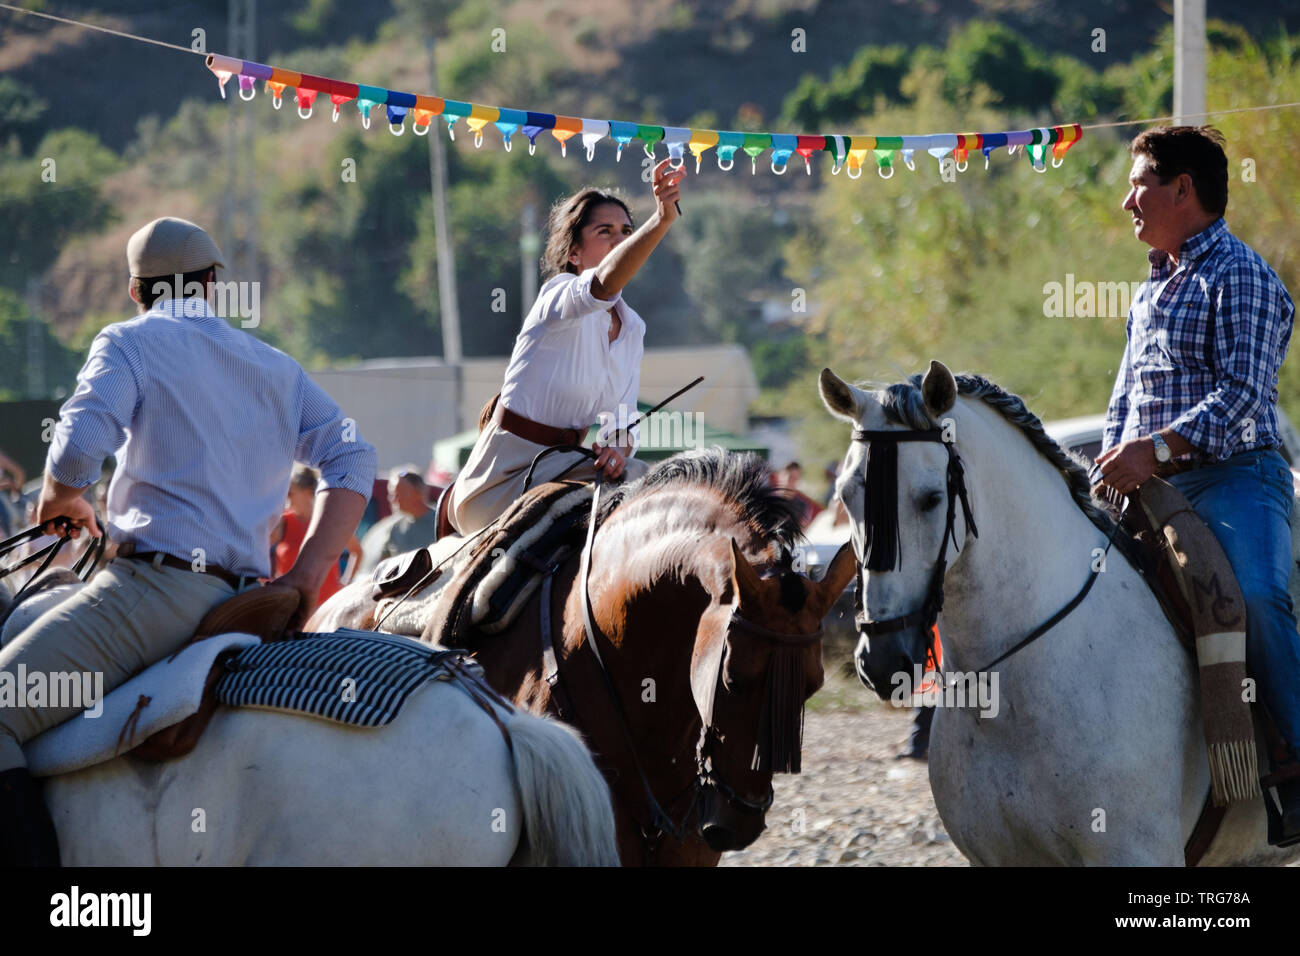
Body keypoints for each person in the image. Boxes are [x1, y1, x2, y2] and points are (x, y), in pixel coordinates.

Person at [0, 217, 376, 865]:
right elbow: (355, 460)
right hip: (245, 602)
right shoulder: (277, 367)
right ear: (212, 285)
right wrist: (307, 576)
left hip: (153, 597)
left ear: (133, 290)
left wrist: (62, 499)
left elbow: (80, 448)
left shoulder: (129, 342)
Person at [1093, 127, 1300, 843]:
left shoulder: (1241, 277)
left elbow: (1244, 396)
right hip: (1148, 486)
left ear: (1184, 189)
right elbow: (1122, 402)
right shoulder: (1152, 287)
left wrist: (1153, 450)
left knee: (1256, 598)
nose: (1127, 201)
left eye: (1140, 183)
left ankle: (1296, 764)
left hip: (1235, 478)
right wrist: (1109, 465)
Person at [447, 160, 685, 535]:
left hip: (568, 471)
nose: (620, 239)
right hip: (500, 483)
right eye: (605, 232)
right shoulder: (558, 295)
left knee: (658, 482)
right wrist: (661, 220)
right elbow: (603, 284)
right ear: (573, 254)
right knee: (644, 487)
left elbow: (621, 422)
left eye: (626, 230)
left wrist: (616, 452)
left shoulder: (632, 328)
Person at [271, 464, 362, 605]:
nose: (286, 498)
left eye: (290, 493)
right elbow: (260, 551)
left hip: (325, 607)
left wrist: (346, 583)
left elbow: (356, 551)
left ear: (307, 492)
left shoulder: (330, 519)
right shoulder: (283, 521)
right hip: (289, 605)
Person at [358, 468, 440, 574]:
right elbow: (381, 566)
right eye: (392, 494)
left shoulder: (440, 521)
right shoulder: (393, 527)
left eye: (398, 494)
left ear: (418, 493)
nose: (392, 499)